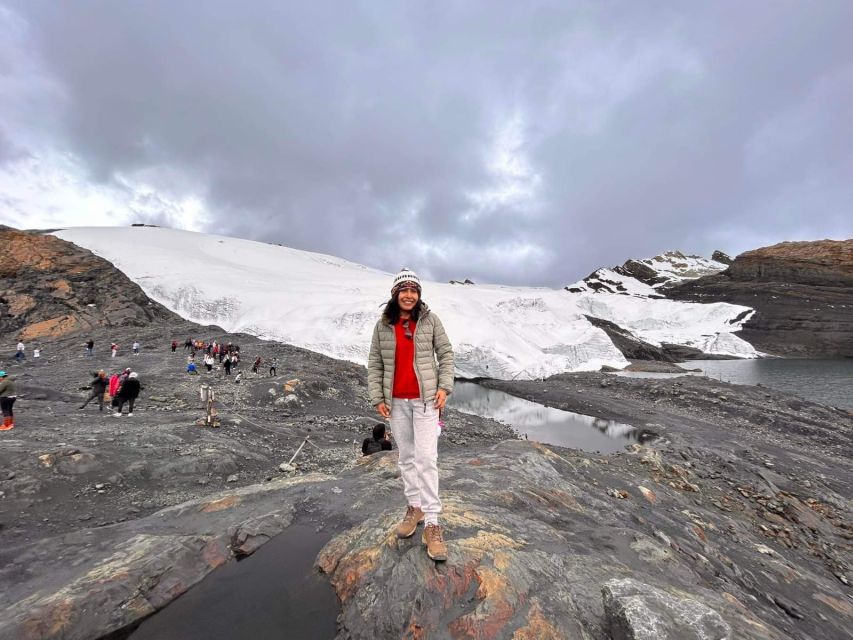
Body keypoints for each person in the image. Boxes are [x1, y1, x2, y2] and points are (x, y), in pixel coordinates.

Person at [368, 268, 454, 562]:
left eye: (413, 290)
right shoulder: (383, 325)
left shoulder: (430, 320)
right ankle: (414, 506)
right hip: (396, 402)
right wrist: (377, 396)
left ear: (419, 295)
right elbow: (375, 363)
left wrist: (445, 387)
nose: (408, 295)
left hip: (426, 401)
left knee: (426, 459)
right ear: (395, 294)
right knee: (406, 458)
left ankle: (432, 522)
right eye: (403, 290)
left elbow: (446, 354)